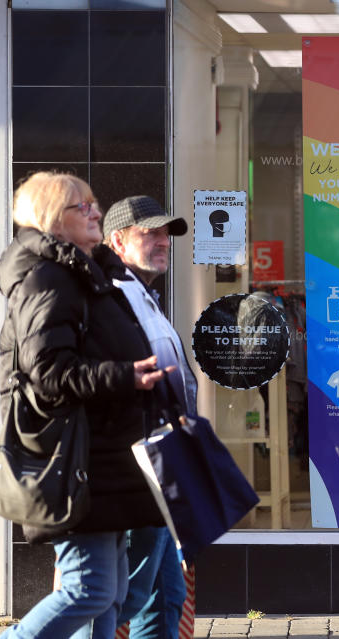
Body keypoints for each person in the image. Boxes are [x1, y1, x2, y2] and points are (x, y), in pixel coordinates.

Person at [0, 172, 168, 639]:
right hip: (77, 460)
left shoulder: (84, 271)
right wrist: (125, 375)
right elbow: (47, 371)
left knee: (108, 597)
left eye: (94, 203)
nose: (95, 211)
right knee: (89, 591)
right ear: (53, 218)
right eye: (83, 207)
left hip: (106, 458)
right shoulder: (47, 276)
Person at [97, 195, 196, 639]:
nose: (163, 242)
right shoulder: (114, 298)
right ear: (117, 240)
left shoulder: (144, 295)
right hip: (139, 464)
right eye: (150, 232)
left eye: (166, 234)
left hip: (163, 458)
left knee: (165, 595)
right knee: (126, 595)